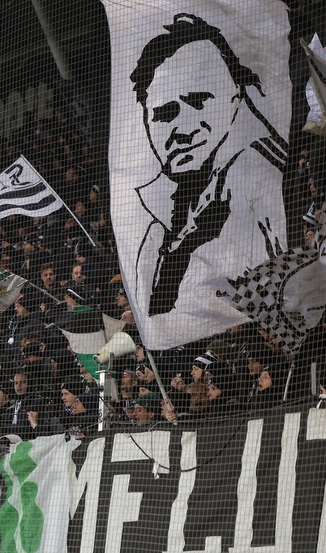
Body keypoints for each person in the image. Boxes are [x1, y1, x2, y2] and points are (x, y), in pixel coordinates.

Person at [128, 14, 288, 339]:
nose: (183, 130)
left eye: (199, 102)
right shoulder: (156, 225)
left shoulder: (256, 177)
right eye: (164, 113)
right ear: (146, 123)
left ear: (236, 98)